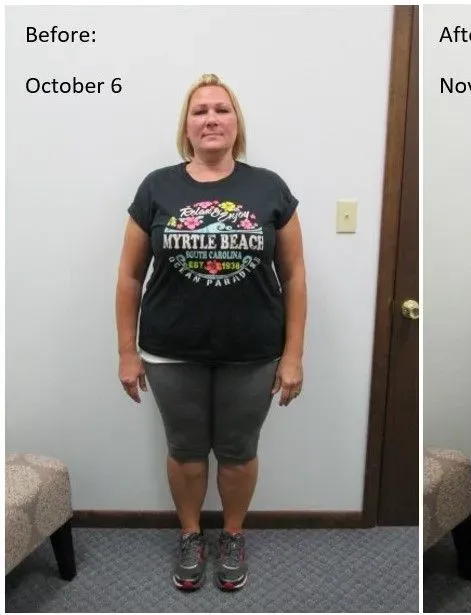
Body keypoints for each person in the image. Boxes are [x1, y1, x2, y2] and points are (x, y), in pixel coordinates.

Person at [115, 73, 307, 592]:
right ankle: (191, 533)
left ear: (236, 122)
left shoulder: (268, 187)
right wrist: (126, 352)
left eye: (221, 109)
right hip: (171, 350)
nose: (211, 119)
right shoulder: (157, 187)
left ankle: (234, 534)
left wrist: (293, 355)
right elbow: (130, 275)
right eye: (200, 111)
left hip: (253, 351)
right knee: (185, 449)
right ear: (187, 126)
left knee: (240, 449)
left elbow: (293, 276)